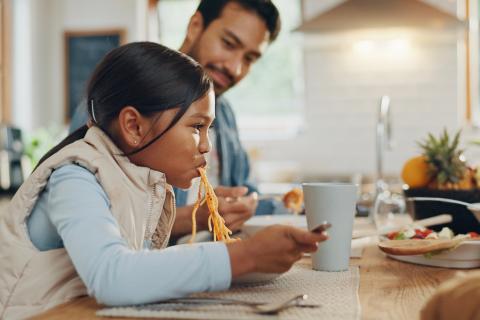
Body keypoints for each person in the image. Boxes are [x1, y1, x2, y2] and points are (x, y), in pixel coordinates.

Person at [0, 42, 327, 319]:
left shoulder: (142, 182)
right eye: (196, 127)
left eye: (208, 129)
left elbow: (140, 274)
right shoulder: (76, 177)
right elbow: (111, 277)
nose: (205, 146)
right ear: (134, 126)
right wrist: (246, 256)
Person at [69, 0, 285, 242]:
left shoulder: (225, 113)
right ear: (195, 26)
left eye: (250, 59)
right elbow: (95, 222)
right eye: (228, 43)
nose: (235, 68)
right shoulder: (124, 95)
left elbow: (248, 189)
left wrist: (250, 203)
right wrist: (197, 217)